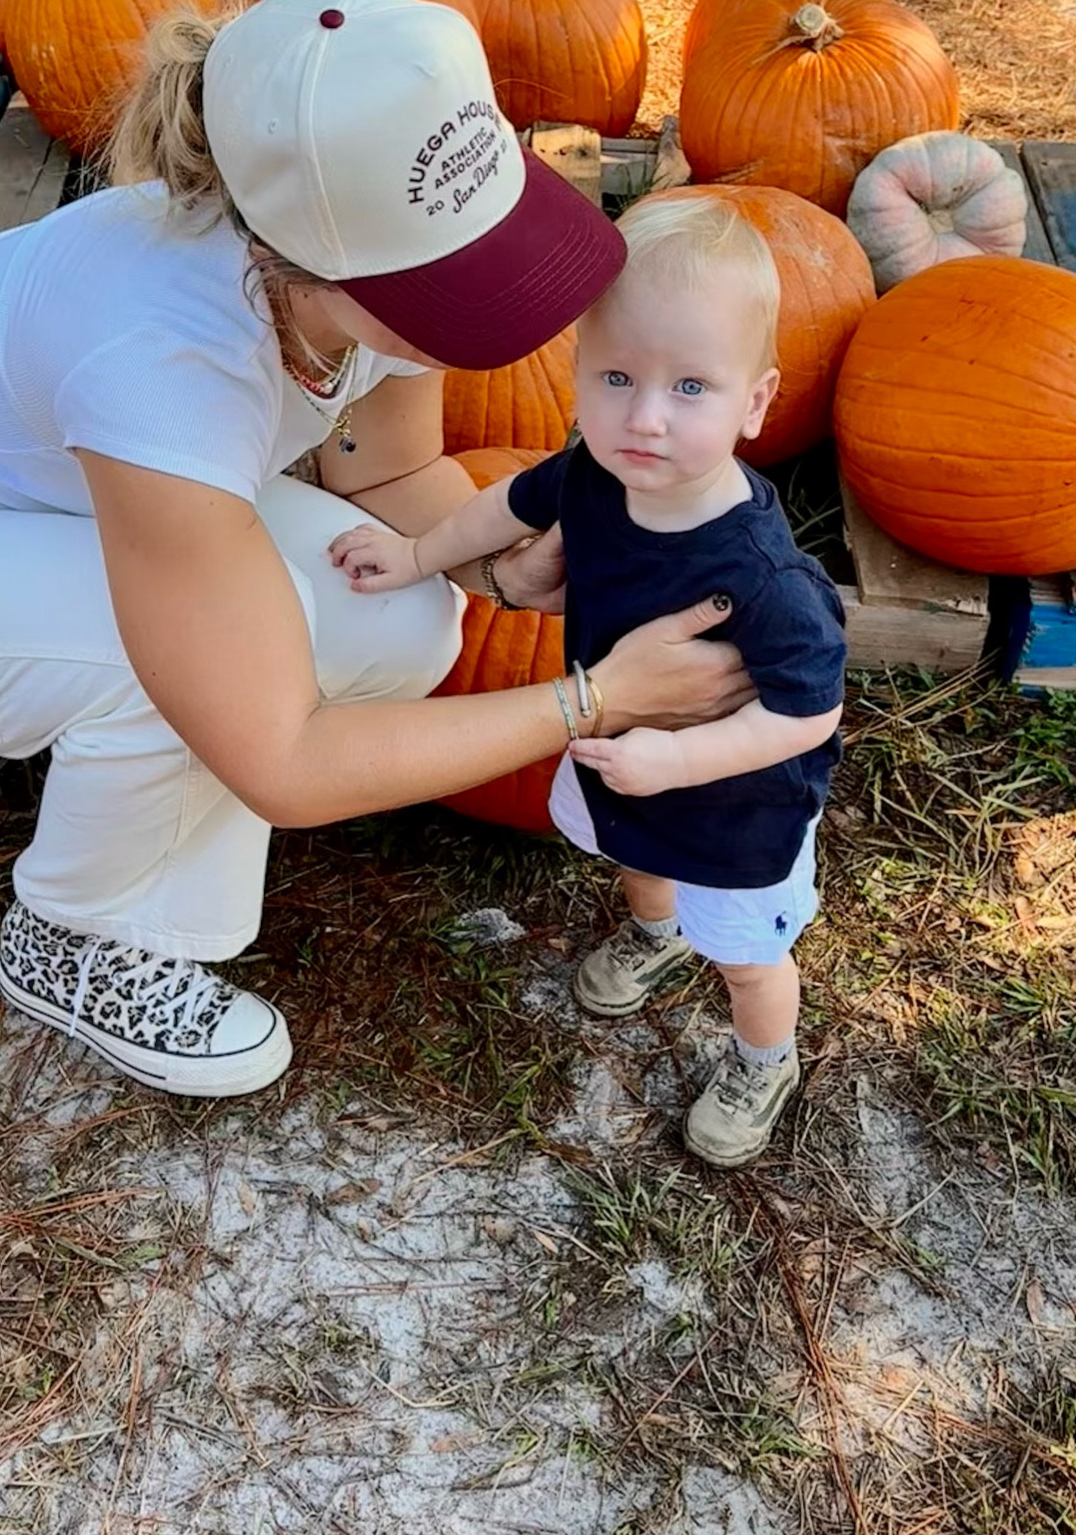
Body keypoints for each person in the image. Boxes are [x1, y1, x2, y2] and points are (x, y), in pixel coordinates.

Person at [0, 0, 754, 1102]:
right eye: (454, 287)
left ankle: (136, 777)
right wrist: (590, 700)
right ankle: (75, 938)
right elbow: (286, 765)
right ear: (302, 264)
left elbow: (390, 475)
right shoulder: (164, 362)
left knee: (400, 609)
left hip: (27, 506)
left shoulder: (365, 225)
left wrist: (492, 566)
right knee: (173, 668)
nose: (492, 307)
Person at [331, 196, 846, 1166]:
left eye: (691, 386)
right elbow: (498, 509)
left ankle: (762, 1056)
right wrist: (415, 553)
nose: (644, 417)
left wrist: (684, 752)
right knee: (634, 854)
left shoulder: (763, 578)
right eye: (617, 375)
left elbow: (809, 711)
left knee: (747, 956)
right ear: (577, 371)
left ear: (757, 401)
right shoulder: (590, 475)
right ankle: (654, 932)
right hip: (628, 757)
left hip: (739, 804)